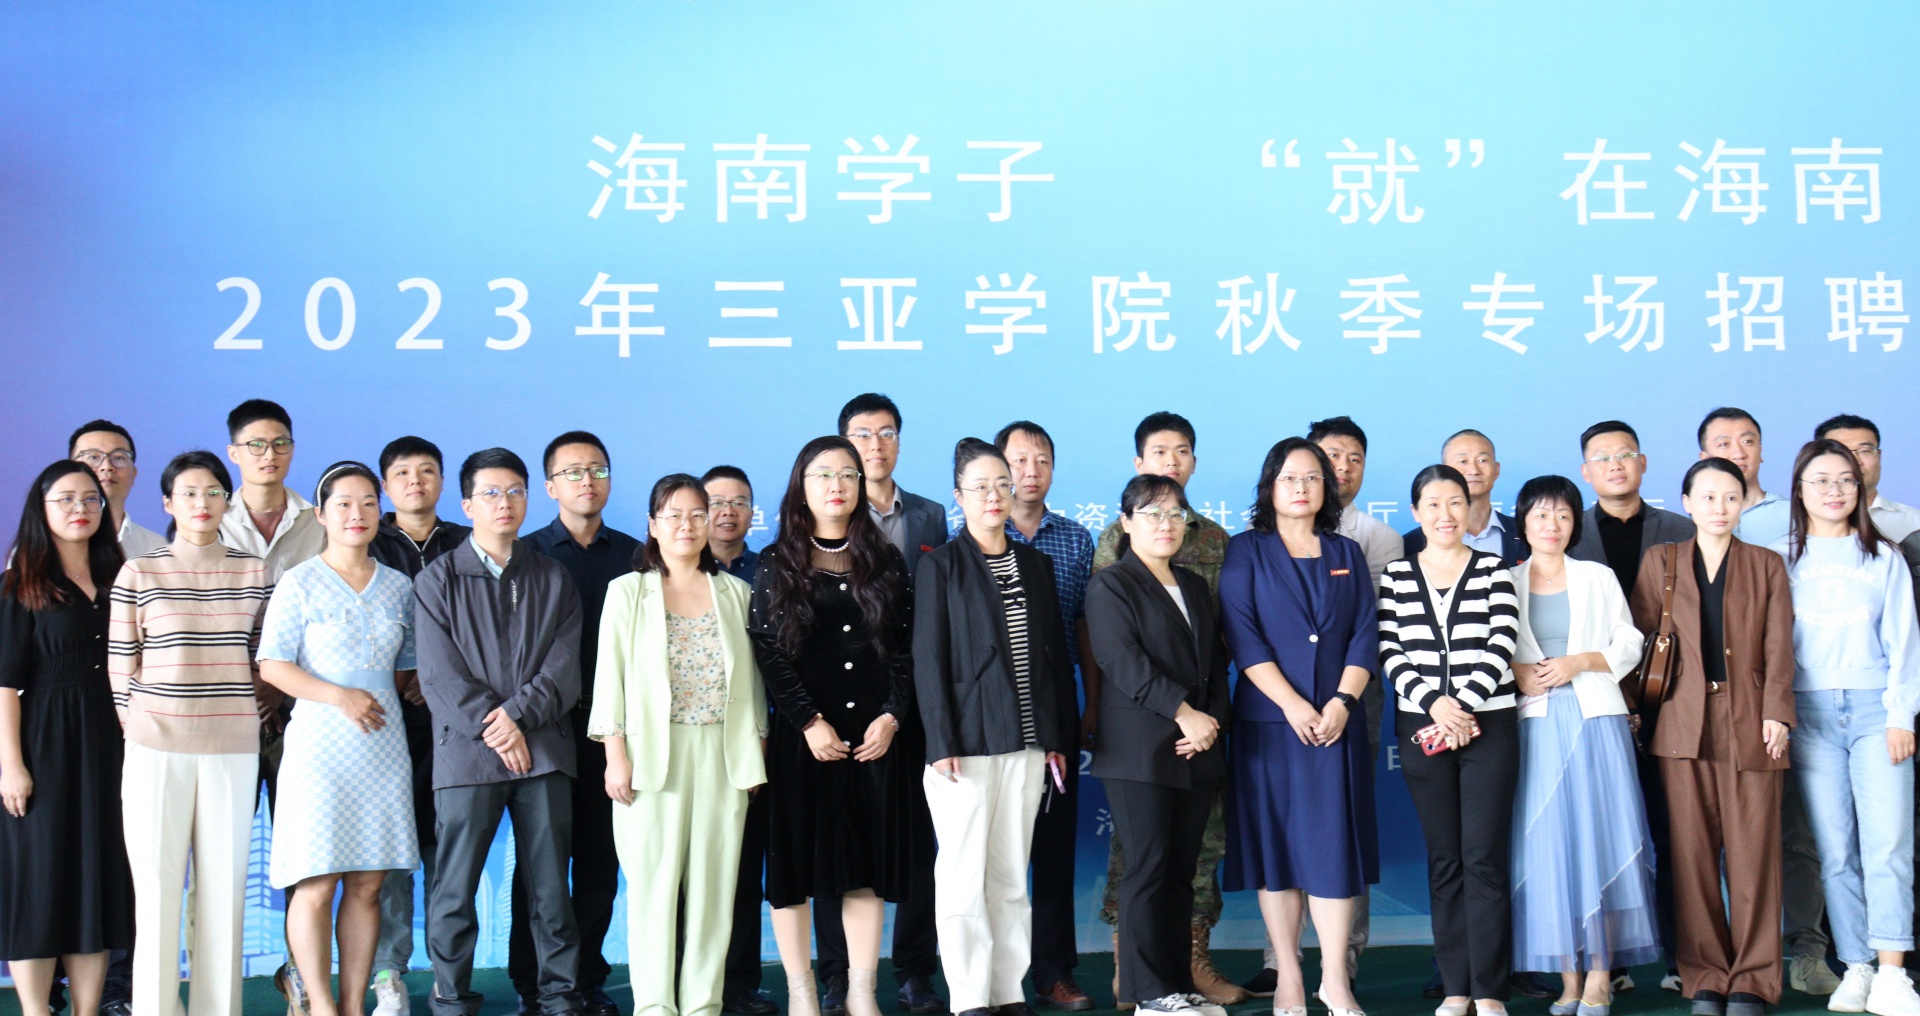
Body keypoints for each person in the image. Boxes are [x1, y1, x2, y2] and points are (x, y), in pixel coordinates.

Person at [748, 436, 916, 1016]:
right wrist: (808, 721)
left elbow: (904, 649)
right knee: (793, 870)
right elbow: (768, 650)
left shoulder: (885, 561)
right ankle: (803, 995)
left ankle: (863, 992)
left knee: (865, 871)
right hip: (805, 743)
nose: (836, 485)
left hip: (873, 740)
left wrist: (892, 716)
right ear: (802, 486)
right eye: (822, 474)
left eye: (847, 474)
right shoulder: (776, 562)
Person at [415, 448, 584, 1016]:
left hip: (543, 749)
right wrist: (497, 726)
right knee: (455, 886)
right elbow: (439, 675)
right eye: (490, 492)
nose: (504, 502)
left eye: (515, 491)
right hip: (466, 754)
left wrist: (518, 718)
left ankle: (558, 995)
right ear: (467, 505)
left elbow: (565, 667)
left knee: (550, 889)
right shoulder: (437, 580)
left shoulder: (552, 576)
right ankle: (451, 997)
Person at [591, 474, 768, 1016]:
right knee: (653, 889)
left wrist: (757, 749)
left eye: (697, 514)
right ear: (653, 525)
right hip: (651, 757)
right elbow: (609, 677)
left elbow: (754, 681)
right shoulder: (628, 591)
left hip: (723, 755)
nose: (687, 525)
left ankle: (703, 1004)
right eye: (673, 515)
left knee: (715, 892)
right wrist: (614, 755)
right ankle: (654, 1006)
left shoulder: (736, 593)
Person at [913, 438, 1078, 1016]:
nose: (994, 496)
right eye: (980, 487)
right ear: (958, 497)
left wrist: (1054, 738)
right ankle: (968, 996)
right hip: (965, 745)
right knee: (963, 878)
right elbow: (928, 659)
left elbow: (1053, 656)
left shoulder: (1036, 564)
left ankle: (1007, 990)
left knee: (1009, 877)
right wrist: (940, 742)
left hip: (1028, 744)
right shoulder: (940, 565)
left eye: (1002, 485)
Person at [108, 451, 272, 1016]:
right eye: (188, 493)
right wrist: (142, 726)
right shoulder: (139, 572)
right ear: (168, 503)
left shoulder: (254, 572)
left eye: (213, 493)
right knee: (156, 895)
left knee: (224, 893)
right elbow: (120, 664)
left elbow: (262, 659)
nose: (202, 503)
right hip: (155, 749)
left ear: (228, 501)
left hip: (233, 748)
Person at [1219, 438, 1378, 1016]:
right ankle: (1288, 974)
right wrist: (1290, 704)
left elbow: (1365, 633)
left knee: (1333, 852)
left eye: (1313, 477)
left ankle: (1334, 980)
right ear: (1270, 487)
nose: (1302, 487)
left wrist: (1342, 702)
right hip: (1270, 725)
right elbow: (1242, 636)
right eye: (1289, 478)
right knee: (1278, 853)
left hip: (1336, 724)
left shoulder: (1345, 551)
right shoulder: (1246, 550)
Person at [1630, 458, 1795, 1016]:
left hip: (1752, 719)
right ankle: (1704, 974)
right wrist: (1635, 711)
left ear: (1744, 502)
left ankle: (1753, 978)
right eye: (1707, 497)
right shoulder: (1662, 561)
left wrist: (1778, 713)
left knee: (1753, 855)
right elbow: (1639, 642)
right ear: (1686, 503)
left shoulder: (1766, 564)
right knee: (1691, 855)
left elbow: (1779, 644)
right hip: (1681, 722)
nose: (1719, 507)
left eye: (1730, 496)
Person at [1090, 411, 1243, 1008]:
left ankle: (1178, 986)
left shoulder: (1194, 585)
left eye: (1175, 515)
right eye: (1151, 514)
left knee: (1181, 872)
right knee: (1148, 870)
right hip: (1141, 751)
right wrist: (1185, 714)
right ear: (1127, 522)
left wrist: (1211, 723)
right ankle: (1148, 992)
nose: (1165, 524)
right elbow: (1122, 662)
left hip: (1197, 749)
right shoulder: (1113, 584)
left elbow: (1215, 664)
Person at [257, 462, 421, 1016]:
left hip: (383, 747)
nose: (357, 514)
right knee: (317, 884)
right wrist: (339, 696)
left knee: (369, 884)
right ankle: (322, 1005)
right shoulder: (299, 582)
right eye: (344, 504)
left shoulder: (399, 587)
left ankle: (353, 1005)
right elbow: (273, 665)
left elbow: (406, 668)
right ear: (321, 514)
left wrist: (373, 695)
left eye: (369, 503)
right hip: (318, 748)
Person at [1774, 439, 1920, 1016]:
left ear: (1860, 489)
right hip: (1808, 714)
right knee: (1834, 851)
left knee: (1888, 845)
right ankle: (1856, 966)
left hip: (1874, 712)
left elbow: (1905, 643)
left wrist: (1901, 715)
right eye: (1821, 480)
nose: (1834, 490)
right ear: (1799, 490)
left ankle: (1892, 972)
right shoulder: (1779, 559)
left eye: (1845, 480)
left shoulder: (1883, 558)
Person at [1505, 475, 1657, 1016]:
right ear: (1523, 522)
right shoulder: (1504, 580)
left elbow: (1629, 641)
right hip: (1536, 724)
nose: (1553, 525)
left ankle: (1599, 976)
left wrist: (1580, 661)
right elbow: (1491, 647)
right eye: (1541, 515)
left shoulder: (1597, 576)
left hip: (1596, 719)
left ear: (1576, 523)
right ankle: (1568, 980)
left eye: (1564, 515)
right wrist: (1518, 670)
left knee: (1600, 840)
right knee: (1549, 848)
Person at [1379, 464, 1521, 1016]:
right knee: (1444, 861)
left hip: (1489, 726)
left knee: (1484, 859)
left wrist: (1461, 704)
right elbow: (1390, 648)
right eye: (1433, 504)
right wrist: (1435, 704)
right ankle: (1456, 988)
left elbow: (1502, 639)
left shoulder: (1493, 569)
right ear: (1416, 512)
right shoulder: (1397, 575)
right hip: (1423, 727)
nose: (1446, 514)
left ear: (1470, 509)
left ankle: (1489, 991)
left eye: (1456, 503)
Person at [514, 431, 640, 1016]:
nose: (587, 480)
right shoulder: (526, 555)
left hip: (613, 735)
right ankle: (533, 984)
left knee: (598, 865)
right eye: (573, 472)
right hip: (545, 731)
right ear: (549, 487)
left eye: (597, 469)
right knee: (539, 868)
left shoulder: (637, 556)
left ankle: (584, 979)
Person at [1567, 420, 1695, 993]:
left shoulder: (1682, 530)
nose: (1615, 464)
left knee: (1675, 834)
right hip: (1592, 704)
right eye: (1602, 457)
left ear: (1643, 464)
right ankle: (1609, 963)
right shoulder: (1568, 533)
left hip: (1672, 702)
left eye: (1625, 454)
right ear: (1586, 472)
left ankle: (1683, 958)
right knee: (1603, 834)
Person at [0, 461, 133, 1016]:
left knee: (94, 884)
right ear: (42, 509)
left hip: (112, 747)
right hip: (44, 746)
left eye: (91, 499)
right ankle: (36, 1010)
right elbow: (5, 684)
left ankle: (86, 1009)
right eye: (66, 499)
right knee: (39, 882)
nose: (81, 508)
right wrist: (12, 765)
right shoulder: (21, 583)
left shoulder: (121, 577)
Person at [829, 394, 944, 1016]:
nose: (875, 445)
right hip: (840, 702)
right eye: (862, 434)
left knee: (919, 840)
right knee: (839, 839)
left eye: (887, 433)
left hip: (914, 699)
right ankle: (838, 974)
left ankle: (914, 970)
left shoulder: (929, 516)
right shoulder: (825, 513)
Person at [219, 397, 325, 1011]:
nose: (269, 454)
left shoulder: (319, 521)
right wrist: (248, 686)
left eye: (280, 443)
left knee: (303, 855)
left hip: (302, 716)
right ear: (234, 452)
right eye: (256, 445)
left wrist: (282, 688)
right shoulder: (207, 518)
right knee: (222, 854)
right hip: (225, 717)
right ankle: (214, 982)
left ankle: (300, 976)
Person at [993, 420, 1097, 1012]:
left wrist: (1093, 701)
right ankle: (997, 975)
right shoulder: (972, 536)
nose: (1030, 472)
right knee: (997, 852)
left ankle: (1054, 969)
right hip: (991, 710)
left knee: (1053, 848)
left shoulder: (1075, 540)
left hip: (1056, 706)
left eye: (1042, 461)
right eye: (1018, 461)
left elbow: (1085, 626)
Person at [367, 435, 472, 1015]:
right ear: (386, 486)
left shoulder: (466, 541)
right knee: (390, 852)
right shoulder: (367, 541)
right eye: (403, 473)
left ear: (442, 482)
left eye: (427, 471)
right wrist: (402, 676)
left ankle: (448, 975)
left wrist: (438, 680)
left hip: (455, 721)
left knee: (447, 849)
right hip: (385, 719)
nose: (416, 481)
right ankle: (389, 974)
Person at [705, 464, 777, 1016]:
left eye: (740, 502)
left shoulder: (770, 570)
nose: (728, 512)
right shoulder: (675, 571)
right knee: (695, 871)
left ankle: (741, 985)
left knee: (746, 868)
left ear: (754, 512)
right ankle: (693, 980)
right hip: (698, 742)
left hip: (763, 739)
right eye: (715, 502)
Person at [1403, 431, 1526, 565]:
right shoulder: (1410, 544)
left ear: (1496, 469)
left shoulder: (1526, 533)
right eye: (1463, 461)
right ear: (1445, 470)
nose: (1474, 470)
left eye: (1482, 460)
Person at [1815, 414, 1920, 545]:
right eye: (1841, 452)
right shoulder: (1797, 524)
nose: (1855, 461)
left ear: (1879, 457)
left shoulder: (1914, 524)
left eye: (1864, 451)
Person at [1696, 408, 1791, 550]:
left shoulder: (1793, 516)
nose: (1739, 453)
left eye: (1747, 441)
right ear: (1705, 459)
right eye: (1724, 444)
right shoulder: (1695, 519)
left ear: (1760, 451)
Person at [69, 420, 164, 559]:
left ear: (134, 474)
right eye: (93, 457)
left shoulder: (158, 550)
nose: (107, 467)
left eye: (119, 458)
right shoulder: (47, 546)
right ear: (69, 473)